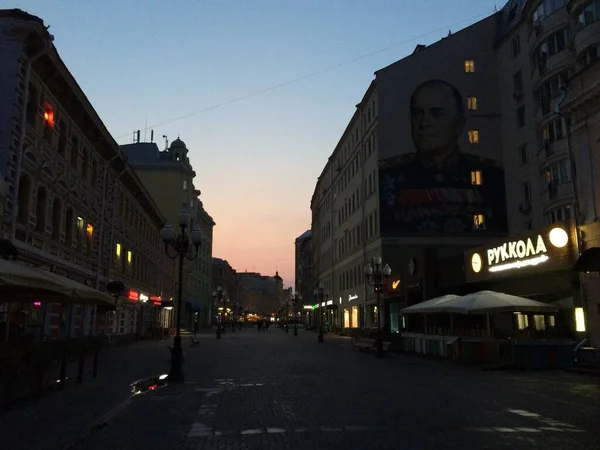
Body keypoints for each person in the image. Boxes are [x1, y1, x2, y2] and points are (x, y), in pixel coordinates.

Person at [379, 79, 507, 234]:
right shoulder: (388, 176)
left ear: (459, 123)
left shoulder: (493, 176)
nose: (424, 123)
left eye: (437, 114)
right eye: (417, 114)